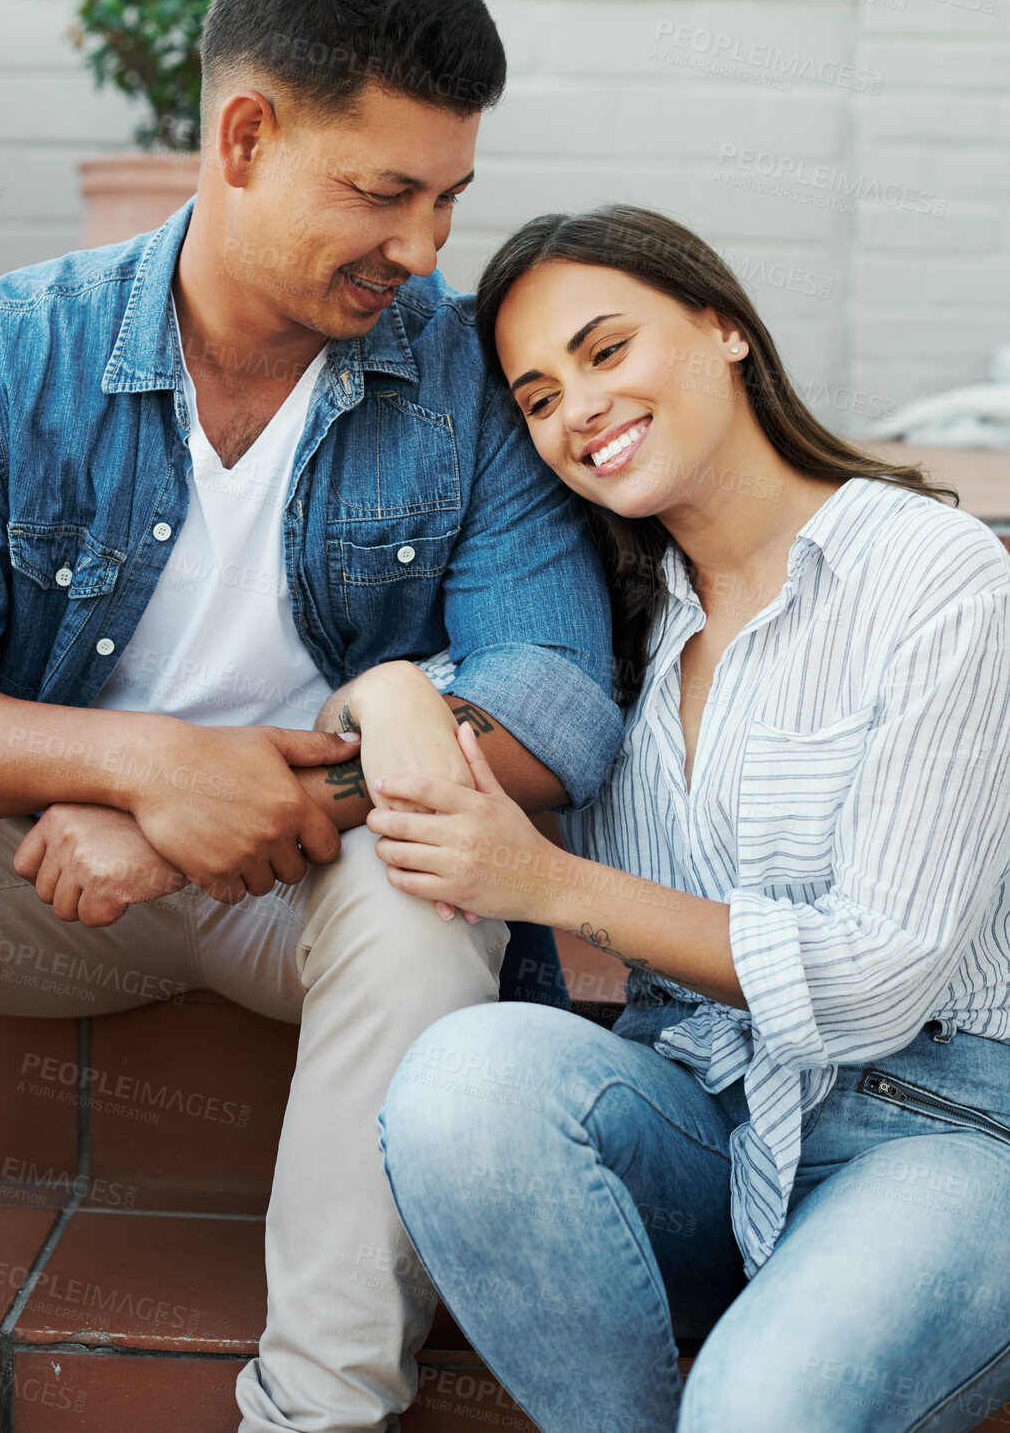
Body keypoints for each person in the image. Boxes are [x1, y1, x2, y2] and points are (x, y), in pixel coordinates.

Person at [0, 0, 626, 1433]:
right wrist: (138, 769)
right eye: (383, 193)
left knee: (430, 886)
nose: (423, 248)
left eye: (447, 197)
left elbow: (546, 704)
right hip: (52, 881)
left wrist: (210, 814)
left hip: (308, 890)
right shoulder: (2, 354)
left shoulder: (465, 373)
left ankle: (318, 1412)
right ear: (246, 136)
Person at [368, 206, 1010, 1433]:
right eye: (540, 396)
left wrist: (553, 884)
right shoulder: (612, 621)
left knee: (757, 1408)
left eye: (607, 352)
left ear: (725, 329)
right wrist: (389, 687)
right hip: (706, 1123)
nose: (579, 411)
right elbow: (405, 701)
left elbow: (879, 979)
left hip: (947, 1128)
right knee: (462, 1082)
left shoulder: (935, 574)